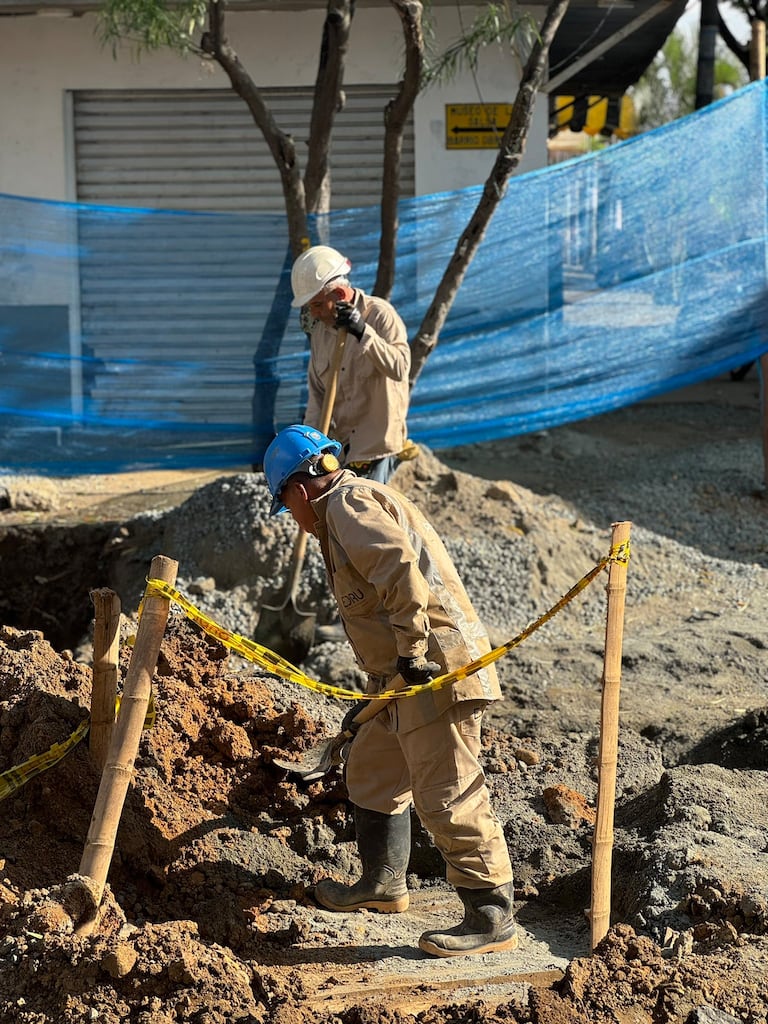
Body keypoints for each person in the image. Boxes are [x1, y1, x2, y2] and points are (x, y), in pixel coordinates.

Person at [263, 423, 517, 958]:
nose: (294, 517)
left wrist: (412, 651)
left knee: (447, 792)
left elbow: (399, 571)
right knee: (372, 770)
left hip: (432, 671)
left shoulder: (347, 505)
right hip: (398, 678)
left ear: (300, 489)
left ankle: (491, 915)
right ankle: (382, 884)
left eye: (287, 505)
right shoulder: (343, 508)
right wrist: (382, 681)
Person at [291, 245, 412, 485]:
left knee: (371, 508)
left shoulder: (379, 315)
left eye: (317, 304)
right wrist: (311, 448)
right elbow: (317, 396)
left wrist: (363, 333)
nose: (313, 314)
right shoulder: (320, 333)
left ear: (339, 294)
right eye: (309, 307)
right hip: (343, 449)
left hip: (377, 448)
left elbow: (400, 368)